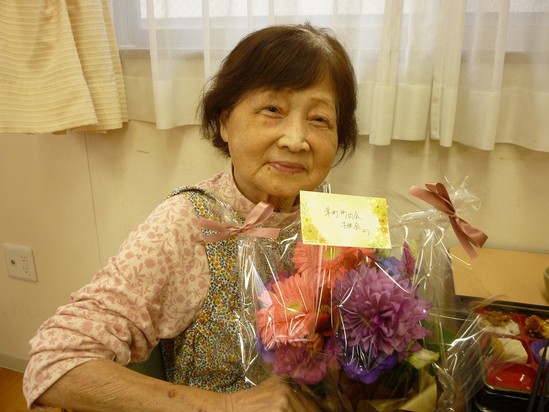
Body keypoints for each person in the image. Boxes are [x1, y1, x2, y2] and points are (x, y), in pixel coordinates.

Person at [23, 23, 358, 411]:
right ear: (225, 121)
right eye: (272, 110)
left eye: (319, 119)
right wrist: (226, 407)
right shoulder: (187, 224)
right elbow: (53, 363)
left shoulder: (342, 220)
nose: (296, 140)